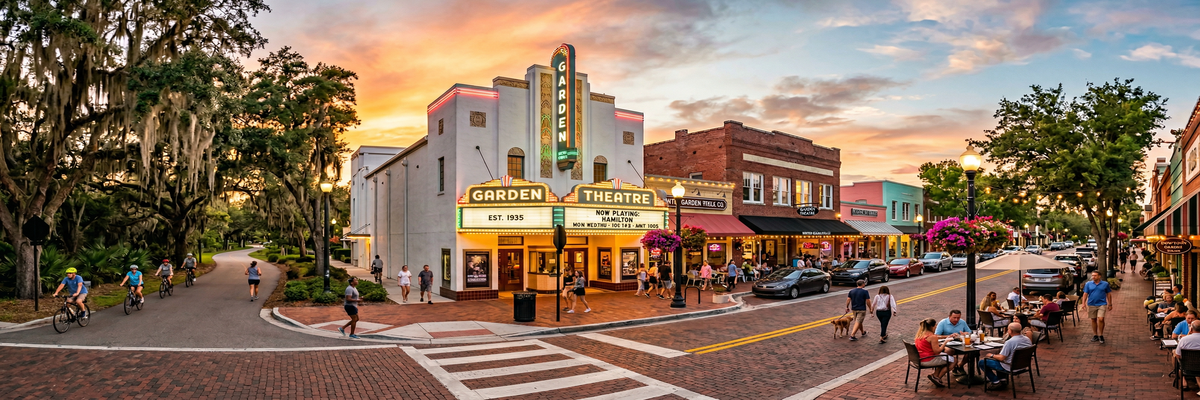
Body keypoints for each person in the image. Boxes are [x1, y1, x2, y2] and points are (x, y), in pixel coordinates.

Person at [979, 322, 1034, 390]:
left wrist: (991, 355)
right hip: (1023, 366)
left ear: (1010, 331)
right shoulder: (1027, 339)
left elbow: (1001, 358)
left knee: (982, 362)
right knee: (998, 358)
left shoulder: (1010, 342)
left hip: (1010, 366)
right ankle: (1002, 380)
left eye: (1008, 329)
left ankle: (995, 381)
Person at [914, 318, 954, 387]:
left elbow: (932, 341)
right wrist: (945, 342)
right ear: (932, 326)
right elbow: (937, 351)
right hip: (928, 359)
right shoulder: (932, 337)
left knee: (945, 358)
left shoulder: (920, 334)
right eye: (935, 326)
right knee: (954, 361)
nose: (936, 327)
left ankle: (935, 375)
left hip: (919, 358)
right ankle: (937, 377)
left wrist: (946, 337)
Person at [1079, 270, 1114, 343]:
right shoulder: (1088, 284)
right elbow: (1085, 294)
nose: (1093, 277)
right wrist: (1083, 303)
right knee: (1093, 319)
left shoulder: (1105, 284)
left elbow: (1109, 294)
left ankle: (1101, 335)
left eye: (1095, 275)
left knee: (1101, 319)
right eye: (1092, 275)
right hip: (1091, 304)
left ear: (1099, 276)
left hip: (1102, 304)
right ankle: (1095, 335)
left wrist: (1110, 304)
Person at [1175, 320, 1200, 390]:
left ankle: (1184, 382)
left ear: (1191, 329)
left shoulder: (1184, 340)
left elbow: (1178, 355)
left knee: (1176, 355)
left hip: (1187, 367)